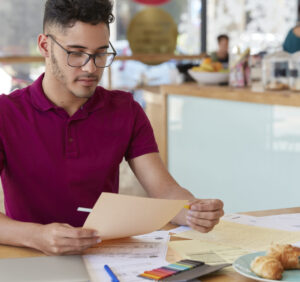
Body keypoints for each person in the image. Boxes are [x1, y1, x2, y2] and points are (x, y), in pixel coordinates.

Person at [0, 0, 224, 256]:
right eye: (76, 52)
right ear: (44, 46)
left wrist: (194, 211)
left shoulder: (126, 110)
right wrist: (37, 236)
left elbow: (164, 190)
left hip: (104, 257)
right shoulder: (6, 113)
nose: (90, 68)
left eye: (100, 53)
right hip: (29, 259)